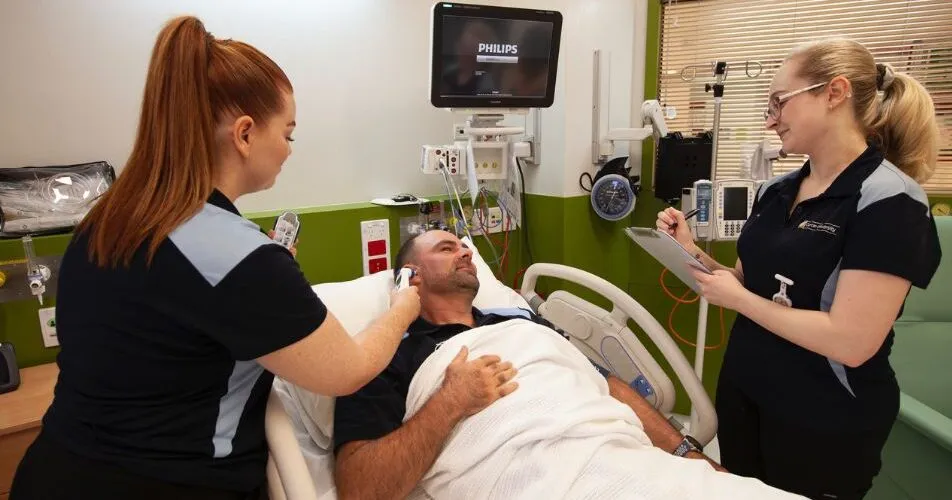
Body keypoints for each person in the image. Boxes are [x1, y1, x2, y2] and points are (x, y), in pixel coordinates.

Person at [11, 16, 419, 500]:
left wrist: (262, 265)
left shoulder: (105, 223)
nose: (289, 150)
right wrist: (403, 309)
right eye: (288, 133)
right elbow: (347, 370)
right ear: (245, 134)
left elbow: (176, 305)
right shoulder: (239, 256)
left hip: (53, 471)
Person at [657, 38, 942, 500]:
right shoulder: (776, 192)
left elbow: (850, 342)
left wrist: (740, 300)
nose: (770, 118)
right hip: (747, 397)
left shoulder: (890, 201)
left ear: (834, 93)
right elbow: (750, 283)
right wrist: (691, 252)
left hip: (823, 418)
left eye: (779, 102)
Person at [329, 230, 813, 500]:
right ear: (410, 276)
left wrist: (687, 453)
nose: (466, 252)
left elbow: (606, 385)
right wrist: (451, 401)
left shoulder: (520, 320)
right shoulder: (385, 352)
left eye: (465, 245)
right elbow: (360, 488)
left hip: (620, 458)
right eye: (446, 247)